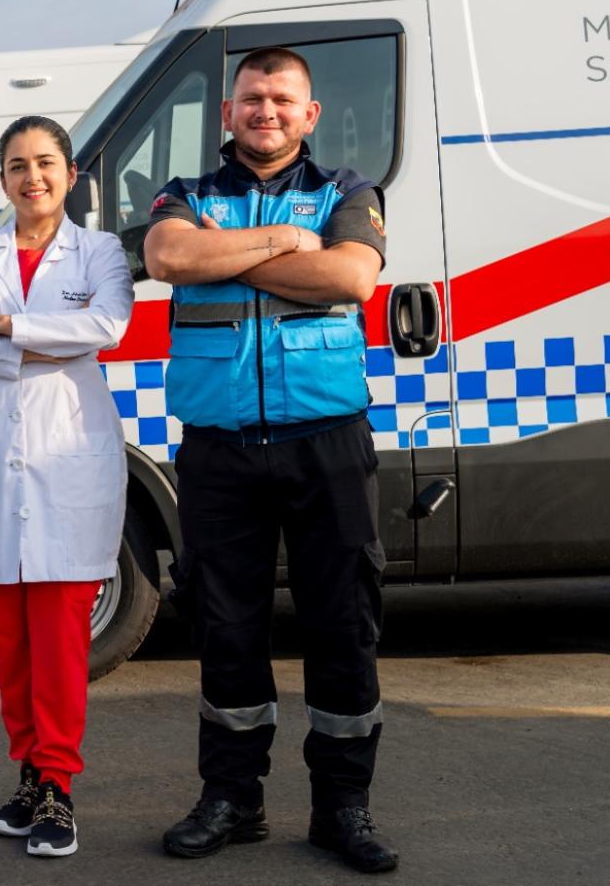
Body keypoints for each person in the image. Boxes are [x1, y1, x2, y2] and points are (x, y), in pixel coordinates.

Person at [143, 48, 398, 873]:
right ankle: (232, 799)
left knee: (342, 626)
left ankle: (343, 808)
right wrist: (289, 244)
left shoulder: (349, 192)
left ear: (310, 114)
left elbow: (352, 276)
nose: (267, 111)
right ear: (228, 113)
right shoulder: (186, 199)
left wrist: (242, 253)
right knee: (225, 627)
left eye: (283, 99)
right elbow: (170, 259)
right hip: (220, 451)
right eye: (252, 98)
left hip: (325, 443)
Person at [0, 115, 134, 859]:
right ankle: (29, 772)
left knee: (60, 640)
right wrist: (42, 341)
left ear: (71, 175)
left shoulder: (100, 250)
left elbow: (106, 326)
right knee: (7, 643)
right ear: (3, 178)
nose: (32, 177)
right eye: (17, 165)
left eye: (46, 162)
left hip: (69, 455)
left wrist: (5, 325)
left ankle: (59, 788)